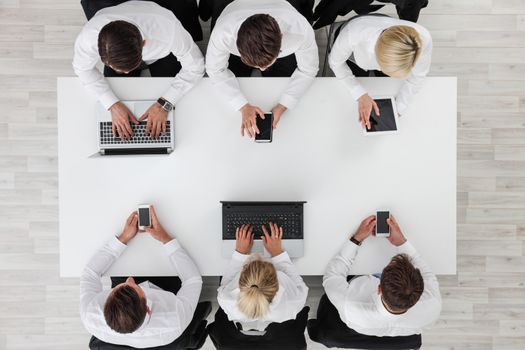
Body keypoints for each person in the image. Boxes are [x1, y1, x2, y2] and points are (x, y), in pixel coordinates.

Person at [73, 1, 205, 139]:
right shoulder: (89, 36)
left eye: (127, 69)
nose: (125, 73)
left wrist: (164, 104)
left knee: (180, 112)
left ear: (144, 44)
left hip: (161, 54)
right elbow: (82, 69)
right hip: (123, 47)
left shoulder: (168, 30)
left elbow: (196, 66)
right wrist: (112, 104)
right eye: (117, 68)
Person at [79, 206, 203, 348]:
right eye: (136, 287)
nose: (130, 279)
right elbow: (192, 280)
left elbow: (90, 274)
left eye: (118, 289)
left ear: (105, 304)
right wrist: (165, 238)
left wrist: (124, 237)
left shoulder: (91, 314)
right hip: (166, 288)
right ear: (148, 309)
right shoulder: (174, 318)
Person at [205, 0, 319, 138]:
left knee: (284, 78)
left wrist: (283, 105)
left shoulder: (300, 30)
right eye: (257, 66)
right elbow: (215, 70)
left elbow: (308, 69)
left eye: (266, 64)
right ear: (237, 43)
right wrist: (242, 105)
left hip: (283, 15)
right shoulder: (223, 33)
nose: (262, 69)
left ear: (281, 37)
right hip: (233, 10)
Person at [323, 214, 441, 337]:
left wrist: (356, 238)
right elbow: (426, 272)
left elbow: (332, 275)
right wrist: (400, 241)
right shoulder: (432, 306)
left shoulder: (350, 305)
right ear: (421, 288)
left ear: (379, 287)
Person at [328, 15, 432, 129]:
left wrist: (398, 109)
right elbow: (335, 63)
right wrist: (360, 94)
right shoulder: (355, 34)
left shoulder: (422, 40)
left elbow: (418, 77)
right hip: (351, 53)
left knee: (385, 87)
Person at [217, 223, 308, 333]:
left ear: (241, 275)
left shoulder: (226, 300)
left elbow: (226, 282)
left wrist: (240, 253)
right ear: (276, 280)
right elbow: (298, 284)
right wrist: (277, 253)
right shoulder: (293, 301)